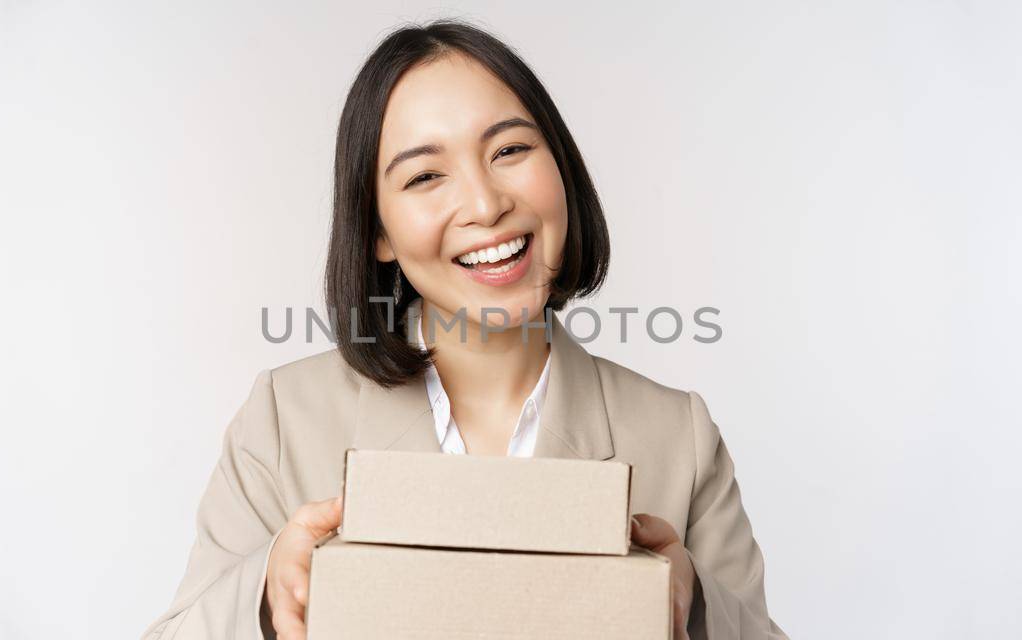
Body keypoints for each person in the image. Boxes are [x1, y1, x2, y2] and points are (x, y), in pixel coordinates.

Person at [142, 20, 787, 640]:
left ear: (560, 167)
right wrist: (266, 595)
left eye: (509, 150)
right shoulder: (284, 420)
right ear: (379, 233)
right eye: (425, 176)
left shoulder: (681, 436)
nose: (485, 205)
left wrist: (695, 604)